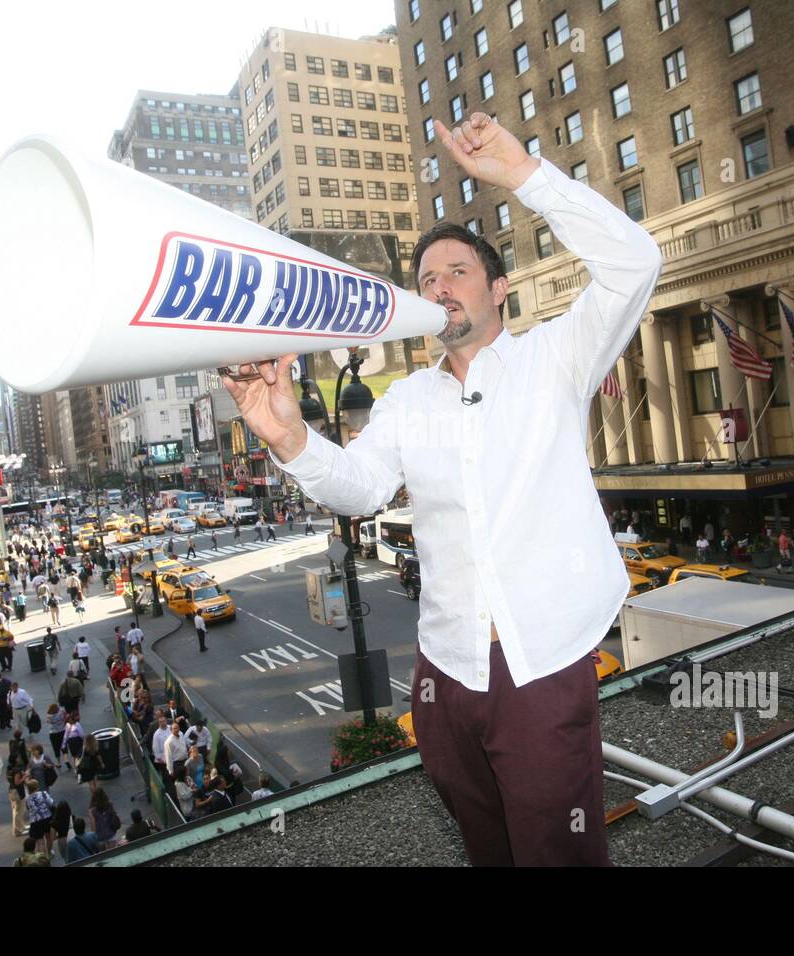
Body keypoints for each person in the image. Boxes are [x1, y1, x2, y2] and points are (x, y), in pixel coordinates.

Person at [223, 112, 662, 867]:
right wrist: (288, 435)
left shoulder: (555, 359)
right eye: (427, 279)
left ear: (499, 288)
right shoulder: (406, 403)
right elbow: (360, 489)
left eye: (456, 271)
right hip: (444, 676)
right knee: (486, 849)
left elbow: (635, 263)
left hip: (541, 668)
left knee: (557, 854)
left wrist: (523, 175)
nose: (439, 287)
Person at [23, 778, 56, 857]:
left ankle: (42, 857)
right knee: (48, 837)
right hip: (46, 818)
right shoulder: (43, 793)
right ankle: (49, 853)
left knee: (39, 841)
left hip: (35, 821)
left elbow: (28, 809)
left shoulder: (27, 799)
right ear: (37, 787)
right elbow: (51, 803)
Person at [7, 730, 31, 837]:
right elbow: (17, 782)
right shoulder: (16, 770)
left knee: (19, 809)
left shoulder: (9, 768)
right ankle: (17, 829)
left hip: (11, 790)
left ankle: (22, 825)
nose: (18, 758)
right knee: (18, 810)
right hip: (17, 791)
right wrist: (25, 777)